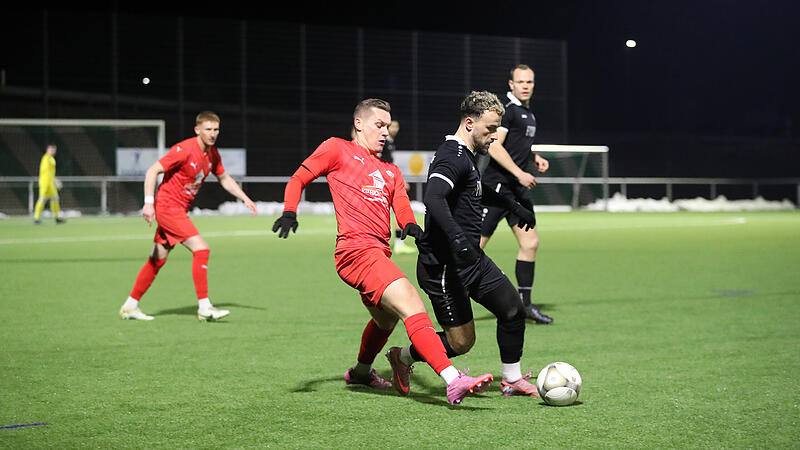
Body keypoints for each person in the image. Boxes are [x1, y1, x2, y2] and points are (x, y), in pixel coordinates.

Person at [272, 98, 493, 405]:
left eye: (387, 126)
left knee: (385, 321)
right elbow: (299, 178)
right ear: (358, 124)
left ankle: (361, 373)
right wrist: (289, 211)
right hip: (356, 251)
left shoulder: (390, 170)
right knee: (411, 303)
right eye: (379, 125)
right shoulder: (337, 148)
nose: (385, 132)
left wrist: (410, 225)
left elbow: (400, 204)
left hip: (377, 253)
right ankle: (453, 380)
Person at [384, 91, 541, 398]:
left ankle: (511, 379)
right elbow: (434, 197)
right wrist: (457, 238)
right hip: (444, 267)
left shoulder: (468, 155)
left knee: (513, 309)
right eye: (490, 129)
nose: (494, 136)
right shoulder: (451, 155)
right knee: (461, 343)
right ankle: (401, 356)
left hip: (471, 259)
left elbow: (477, 189)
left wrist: (513, 206)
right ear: (470, 123)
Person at [119, 111, 257, 321]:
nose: (212, 134)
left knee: (157, 260)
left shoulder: (212, 154)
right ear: (197, 130)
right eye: (208, 129)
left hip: (178, 210)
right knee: (202, 249)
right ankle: (204, 307)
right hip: (168, 208)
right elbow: (152, 171)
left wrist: (244, 198)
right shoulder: (184, 150)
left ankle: (130, 306)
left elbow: (224, 178)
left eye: (216, 129)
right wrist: (148, 203)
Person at [479, 64, 553, 324]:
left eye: (529, 82)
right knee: (474, 248)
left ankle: (525, 305)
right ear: (511, 84)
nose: (525, 86)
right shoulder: (507, 111)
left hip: (517, 192)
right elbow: (494, 146)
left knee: (530, 243)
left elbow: (517, 145)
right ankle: (450, 296)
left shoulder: (528, 114)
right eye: (520, 82)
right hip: (497, 188)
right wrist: (519, 173)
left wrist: (534, 157)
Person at [381, 120, 415, 255]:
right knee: (395, 210)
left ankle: (398, 243)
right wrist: (396, 181)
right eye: (392, 126)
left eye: (396, 126)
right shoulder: (384, 143)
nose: (394, 129)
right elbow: (383, 164)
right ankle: (398, 243)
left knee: (395, 210)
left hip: (388, 180)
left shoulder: (389, 143)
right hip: (385, 182)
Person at [33, 144, 65, 224]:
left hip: (50, 183)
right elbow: (46, 171)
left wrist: (53, 179)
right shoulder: (46, 158)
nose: (53, 151)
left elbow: (51, 172)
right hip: (45, 182)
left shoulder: (51, 158)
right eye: (51, 150)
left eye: (54, 150)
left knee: (55, 199)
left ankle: (57, 217)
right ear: (47, 150)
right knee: (42, 199)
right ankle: (36, 218)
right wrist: (51, 181)